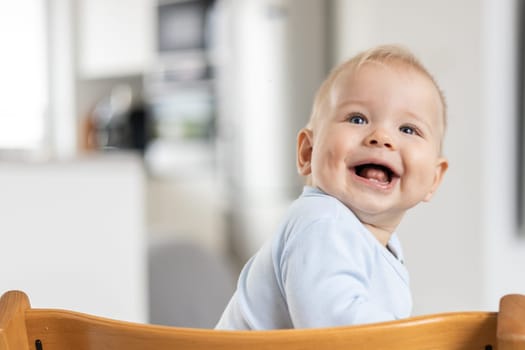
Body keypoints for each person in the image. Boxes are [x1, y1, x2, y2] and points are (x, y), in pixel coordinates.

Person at [215, 44, 449, 330]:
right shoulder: (323, 221)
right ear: (307, 153)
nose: (381, 137)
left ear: (434, 179)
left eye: (408, 129)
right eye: (357, 119)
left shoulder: (374, 242)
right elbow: (334, 332)